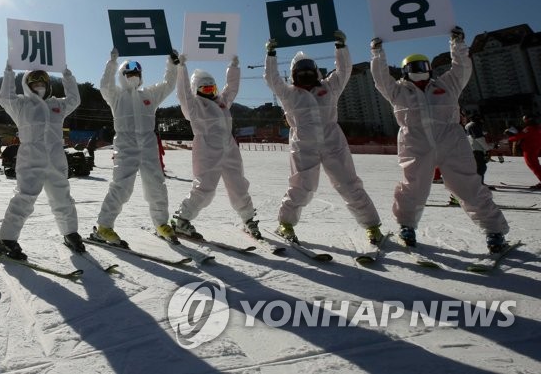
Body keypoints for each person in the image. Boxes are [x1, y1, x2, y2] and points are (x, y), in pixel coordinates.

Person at [370, 28, 509, 253]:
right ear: (405, 71)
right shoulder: (398, 91)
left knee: (468, 185)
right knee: (413, 187)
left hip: (451, 141)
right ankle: (407, 226)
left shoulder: (446, 86)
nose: (419, 72)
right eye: (414, 68)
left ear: (430, 69)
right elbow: (380, 79)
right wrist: (377, 54)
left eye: (423, 67)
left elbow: (462, 69)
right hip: (415, 142)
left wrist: (457, 44)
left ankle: (494, 231)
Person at [264, 31, 383, 245]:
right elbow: (272, 79)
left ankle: (372, 226)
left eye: (309, 68)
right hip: (304, 144)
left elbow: (344, 70)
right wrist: (271, 55)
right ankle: (286, 223)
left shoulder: (328, 88)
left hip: (333, 142)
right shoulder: (289, 94)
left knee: (349, 184)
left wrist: (340, 47)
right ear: (293, 74)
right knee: (301, 186)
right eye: (300, 70)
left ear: (316, 71)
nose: (305, 72)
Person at [0, 64, 85, 259]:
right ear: (27, 85)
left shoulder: (56, 105)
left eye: (43, 82)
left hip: (56, 158)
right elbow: (4, 98)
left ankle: (70, 233)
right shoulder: (21, 104)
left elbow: (75, 100)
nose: (40, 85)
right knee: (24, 198)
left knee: (63, 198)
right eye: (35, 82)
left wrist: (67, 74)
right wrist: (8, 72)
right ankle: (6, 239)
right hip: (31, 156)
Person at [171, 55, 262, 240]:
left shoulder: (221, 103)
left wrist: (234, 67)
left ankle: (248, 219)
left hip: (229, 149)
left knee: (239, 185)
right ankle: (182, 219)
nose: (210, 91)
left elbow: (232, 89)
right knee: (204, 188)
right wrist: (181, 68)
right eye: (205, 88)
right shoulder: (194, 106)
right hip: (207, 150)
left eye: (212, 87)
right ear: (197, 89)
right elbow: (183, 94)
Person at [93, 50, 178, 246]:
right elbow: (105, 85)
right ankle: (104, 227)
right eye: (129, 74)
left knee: (156, 185)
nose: (133, 77)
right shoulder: (116, 96)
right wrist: (112, 63)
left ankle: (161, 224)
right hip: (125, 145)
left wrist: (172, 65)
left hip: (148, 145)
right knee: (121, 187)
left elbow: (168, 84)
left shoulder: (148, 95)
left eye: (136, 74)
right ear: (122, 77)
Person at [504, 115, 541, 189]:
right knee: (536, 166)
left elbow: (519, 136)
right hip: (536, 148)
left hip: (529, 150)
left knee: (534, 166)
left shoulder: (528, 129)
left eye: (524, 120)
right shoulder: (538, 127)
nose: (524, 122)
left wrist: (509, 139)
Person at [463, 112, 491, 186]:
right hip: (477, 149)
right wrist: (487, 149)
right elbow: (479, 138)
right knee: (481, 167)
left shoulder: (469, 126)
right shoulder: (475, 125)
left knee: (476, 167)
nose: (482, 121)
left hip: (472, 148)